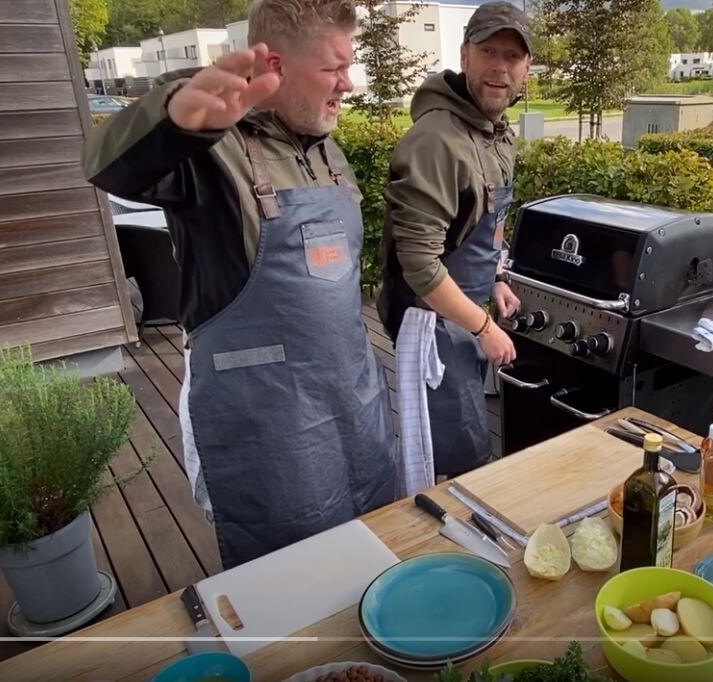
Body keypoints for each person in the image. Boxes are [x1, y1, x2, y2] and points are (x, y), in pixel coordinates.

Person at [83, 0, 399, 570]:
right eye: (333, 69)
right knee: (293, 583)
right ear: (275, 64)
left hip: (355, 405)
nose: (347, 84)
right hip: (272, 435)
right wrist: (173, 119)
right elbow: (111, 168)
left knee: (370, 556)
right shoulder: (210, 151)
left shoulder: (327, 149)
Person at [375, 1, 533, 479]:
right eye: (488, 51)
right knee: (448, 456)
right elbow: (421, 268)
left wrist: (497, 277)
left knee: (466, 437)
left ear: (526, 69)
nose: (499, 67)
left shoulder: (496, 133)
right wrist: (485, 329)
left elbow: (491, 216)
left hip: (463, 310)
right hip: (428, 321)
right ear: (465, 55)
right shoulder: (436, 141)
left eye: (512, 56)